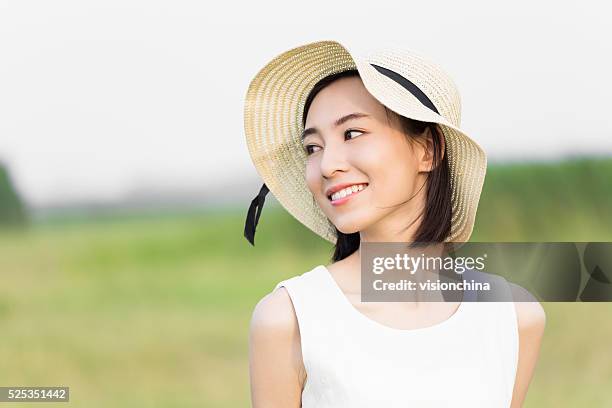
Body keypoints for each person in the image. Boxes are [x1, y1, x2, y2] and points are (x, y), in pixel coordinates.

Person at [243, 40, 546, 407]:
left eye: (352, 133)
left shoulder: (514, 317)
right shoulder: (289, 320)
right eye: (313, 147)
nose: (326, 165)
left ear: (427, 150)